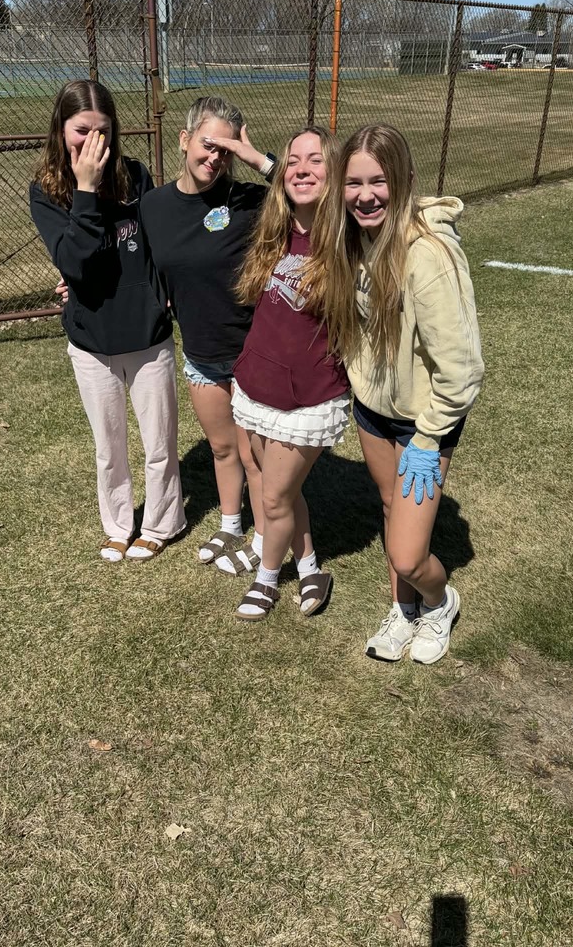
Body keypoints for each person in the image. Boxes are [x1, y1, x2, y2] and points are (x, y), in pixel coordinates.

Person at [312, 123, 483, 663]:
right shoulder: (353, 238)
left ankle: (438, 601)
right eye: (353, 183)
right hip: (373, 413)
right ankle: (403, 611)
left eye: (379, 181)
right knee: (390, 508)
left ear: (405, 179)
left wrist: (430, 439)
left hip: (422, 422)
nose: (365, 196)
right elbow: (289, 188)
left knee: (409, 555)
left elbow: (462, 371)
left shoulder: (427, 256)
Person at [29, 79, 185, 563]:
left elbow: (159, 244)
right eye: (81, 131)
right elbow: (75, 262)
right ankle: (118, 525)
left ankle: (162, 522)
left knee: (160, 442)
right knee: (108, 446)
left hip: (145, 333)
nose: (93, 143)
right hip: (91, 339)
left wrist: (161, 297)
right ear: (60, 130)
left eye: (104, 131)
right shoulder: (46, 191)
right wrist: (85, 190)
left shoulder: (136, 176)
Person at [229, 127, 359, 621]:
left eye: (316, 161)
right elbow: (286, 182)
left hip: (308, 396)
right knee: (279, 486)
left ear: (338, 176)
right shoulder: (277, 230)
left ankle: (266, 581)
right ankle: (309, 566)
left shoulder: (344, 235)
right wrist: (256, 158)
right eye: (293, 160)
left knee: (274, 494)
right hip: (258, 381)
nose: (302, 168)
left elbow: (382, 209)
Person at [140, 96, 275, 572]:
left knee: (253, 454)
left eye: (226, 149)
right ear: (184, 140)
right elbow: (134, 263)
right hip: (200, 353)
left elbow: (313, 197)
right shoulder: (153, 207)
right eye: (207, 144)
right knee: (222, 448)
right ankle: (230, 524)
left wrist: (257, 160)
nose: (214, 158)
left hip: (250, 353)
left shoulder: (248, 200)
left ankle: (264, 539)